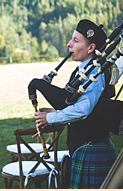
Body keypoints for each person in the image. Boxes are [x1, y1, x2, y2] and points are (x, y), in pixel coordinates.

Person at [35, 19, 118, 189]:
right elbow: (71, 105)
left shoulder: (95, 72)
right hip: (83, 149)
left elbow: (84, 109)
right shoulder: (82, 70)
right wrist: (52, 122)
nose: (69, 44)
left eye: (76, 41)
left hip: (92, 151)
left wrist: (50, 117)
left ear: (91, 48)